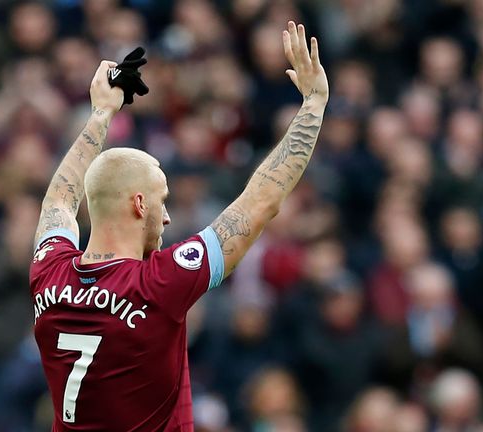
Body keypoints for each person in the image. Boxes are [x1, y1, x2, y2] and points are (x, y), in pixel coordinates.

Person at [29, 21, 328, 431]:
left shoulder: (48, 271)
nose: (167, 217)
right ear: (139, 204)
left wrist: (100, 114)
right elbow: (260, 203)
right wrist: (313, 105)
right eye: (161, 201)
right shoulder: (158, 284)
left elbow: (59, 200)